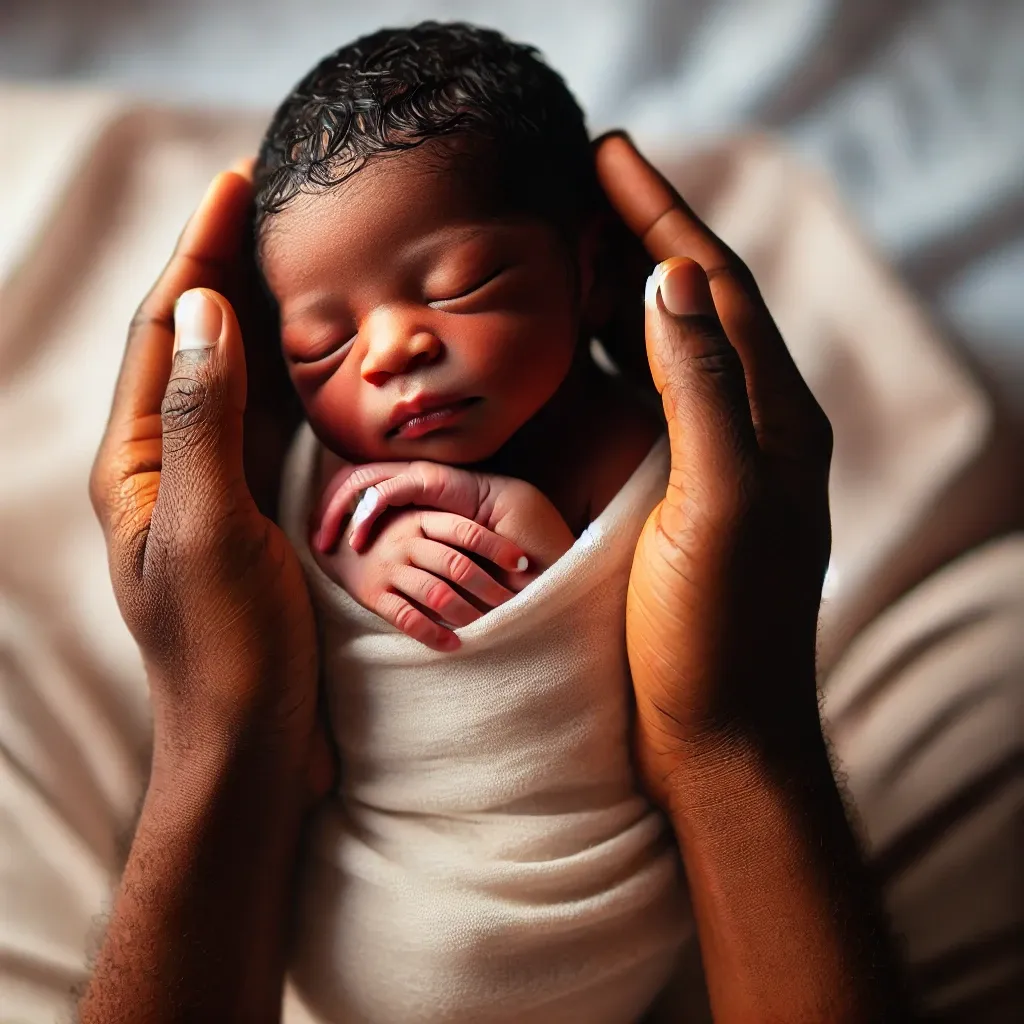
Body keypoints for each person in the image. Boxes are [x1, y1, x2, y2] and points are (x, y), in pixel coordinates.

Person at [78, 91, 910, 1024]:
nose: (392, 348)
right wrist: (346, 574)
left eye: (459, 285)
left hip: (600, 921)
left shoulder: (652, 452)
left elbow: (617, 592)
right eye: (325, 343)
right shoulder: (301, 466)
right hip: (356, 912)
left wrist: (535, 545)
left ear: (589, 269)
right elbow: (307, 594)